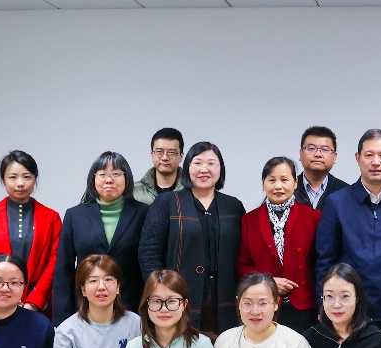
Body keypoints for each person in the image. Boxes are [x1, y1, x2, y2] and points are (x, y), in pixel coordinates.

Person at [316, 129, 381, 339]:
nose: (376, 162)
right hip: (349, 310)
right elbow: (324, 260)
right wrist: (323, 304)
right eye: (369, 155)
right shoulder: (337, 203)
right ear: (358, 158)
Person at [139, 141, 245, 335]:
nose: (204, 169)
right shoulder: (167, 202)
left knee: (224, 347)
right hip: (178, 296)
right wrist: (160, 290)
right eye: (197, 163)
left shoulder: (234, 206)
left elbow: (243, 253)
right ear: (187, 167)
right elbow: (149, 251)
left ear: (220, 168)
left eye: (211, 163)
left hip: (225, 297)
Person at [54, 151, 148, 324]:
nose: (109, 180)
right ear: (93, 179)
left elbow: (147, 265)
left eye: (116, 174)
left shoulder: (144, 213)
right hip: (85, 308)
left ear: (127, 178)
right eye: (102, 174)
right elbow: (64, 270)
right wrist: (62, 319)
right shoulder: (75, 215)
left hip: (131, 307)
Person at [0, 150, 61, 318]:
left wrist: (33, 302)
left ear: (35, 179)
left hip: (36, 307)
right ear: (3, 180)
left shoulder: (51, 218)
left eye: (27, 177)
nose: (20, 183)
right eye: (13, 177)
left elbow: (54, 262)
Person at [238, 156, 321, 335]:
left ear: (295, 182)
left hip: (304, 305)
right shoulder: (249, 220)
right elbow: (242, 265)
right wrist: (269, 281)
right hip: (264, 304)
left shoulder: (313, 217)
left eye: (284, 180)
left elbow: (321, 263)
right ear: (263, 184)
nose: (278, 186)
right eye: (271, 180)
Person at [293, 126, 350, 209]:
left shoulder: (346, 192)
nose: (318, 154)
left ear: (334, 157)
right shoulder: (288, 189)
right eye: (311, 148)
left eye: (325, 149)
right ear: (300, 154)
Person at [134, 127, 188, 205]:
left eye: (171, 152)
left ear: (181, 156)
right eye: (159, 152)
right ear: (152, 155)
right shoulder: (135, 192)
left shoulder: (192, 191)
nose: (165, 158)